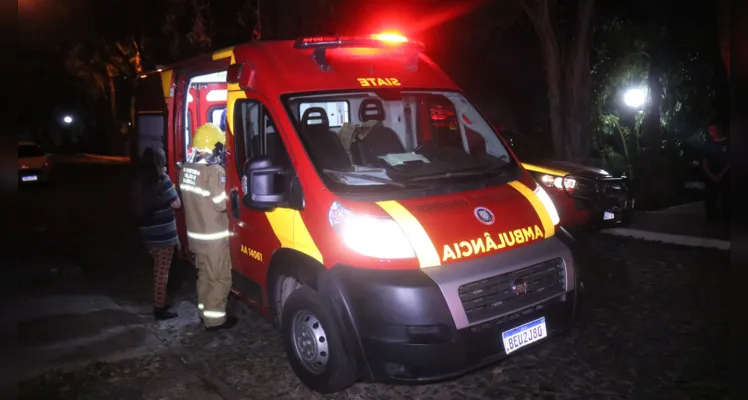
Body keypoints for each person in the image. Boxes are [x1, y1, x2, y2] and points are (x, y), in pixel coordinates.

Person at [179, 123, 236, 331]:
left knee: (203, 275)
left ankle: (204, 312)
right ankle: (216, 320)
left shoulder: (186, 169)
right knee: (220, 278)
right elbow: (221, 203)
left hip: (196, 238)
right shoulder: (214, 171)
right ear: (215, 147)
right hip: (214, 239)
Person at [132, 147, 181, 320]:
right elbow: (176, 204)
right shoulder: (162, 179)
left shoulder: (140, 180)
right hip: (164, 235)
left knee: (158, 270)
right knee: (162, 273)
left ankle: (160, 303)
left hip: (148, 234)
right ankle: (159, 309)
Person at [702, 123, 730, 221]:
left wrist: (721, 174)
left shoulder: (728, 143)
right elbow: (704, 161)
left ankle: (726, 218)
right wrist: (710, 174)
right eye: (710, 129)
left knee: (726, 197)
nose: (711, 131)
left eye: (713, 128)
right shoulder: (708, 143)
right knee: (710, 197)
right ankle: (710, 218)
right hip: (711, 175)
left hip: (725, 175)